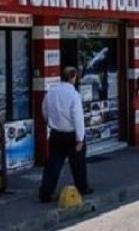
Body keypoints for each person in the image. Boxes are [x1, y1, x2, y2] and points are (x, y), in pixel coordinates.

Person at [39, 66, 91, 202]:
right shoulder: (74, 95)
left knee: (53, 164)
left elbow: (44, 110)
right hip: (71, 134)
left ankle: (45, 192)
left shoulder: (51, 92)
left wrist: (50, 123)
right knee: (78, 164)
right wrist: (80, 139)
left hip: (56, 134)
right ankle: (82, 188)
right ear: (73, 78)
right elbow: (78, 118)